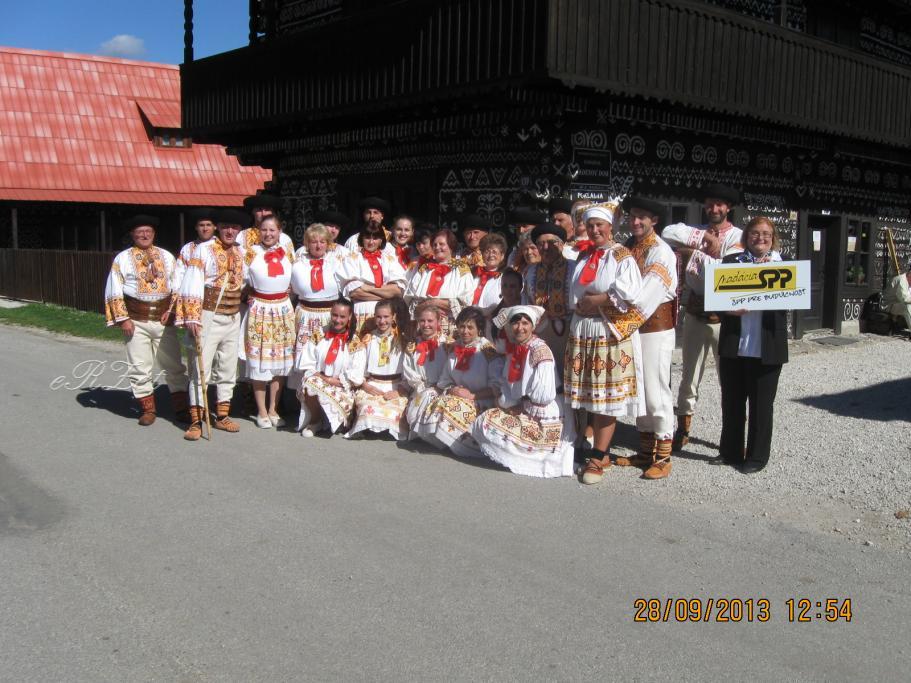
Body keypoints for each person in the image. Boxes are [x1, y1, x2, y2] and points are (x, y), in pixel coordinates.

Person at [564, 202, 645, 484]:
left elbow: (631, 293)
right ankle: (583, 444)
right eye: (590, 225)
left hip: (606, 331)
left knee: (604, 398)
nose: (595, 230)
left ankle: (600, 455)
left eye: (600, 225)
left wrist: (597, 300)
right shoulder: (584, 255)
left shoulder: (621, 255)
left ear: (610, 227)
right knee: (585, 395)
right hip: (582, 329)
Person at [661, 184, 744, 450]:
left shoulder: (739, 237)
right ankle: (683, 429)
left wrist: (691, 252)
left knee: (728, 378)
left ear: (728, 207)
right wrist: (703, 239)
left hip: (725, 318)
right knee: (689, 376)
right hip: (696, 312)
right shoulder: (697, 232)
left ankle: (732, 435)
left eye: (719, 204)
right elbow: (667, 232)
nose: (714, 208)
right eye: (710, 203)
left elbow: (724, 273)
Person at [614, 196, 679, 479]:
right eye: (632, 216)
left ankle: (663, 455)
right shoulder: (627, 247)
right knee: (638, 386)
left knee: (655, 388)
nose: (636, 221)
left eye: (642, 217)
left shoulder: (661, 251)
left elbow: (647, 294)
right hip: (633, 327)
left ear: (655, 220)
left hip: (654, 327)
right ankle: (645, 450)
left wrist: (617, 313)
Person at [718, 216, 789, 474]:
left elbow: (794, 299)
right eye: (755, 233)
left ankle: (757, 457)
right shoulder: (731, 263)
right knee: (732, 401)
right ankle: (730, 452)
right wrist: (727, 309)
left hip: (767, 346)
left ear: (773, 238)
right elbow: (716, 300)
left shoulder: (785, 265)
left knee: (761, 406)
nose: (760, 238)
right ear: (746, 236)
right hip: (735, 344)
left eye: (766, 234)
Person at [104, 215, 189, 425]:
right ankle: (148, 410)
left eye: (148, 231)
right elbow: (114, 288)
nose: (144, 235)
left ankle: (181, 408)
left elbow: (177, 285)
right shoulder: (122, 259)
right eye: (140, 232)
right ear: (132, 235)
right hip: (136, 320)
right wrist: (123, 318)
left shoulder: (166, 257)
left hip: (163, 320)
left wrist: (172, 311)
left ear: (154, 233)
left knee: (173, 364)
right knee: (139, 365)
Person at [472, 305, 575, 478]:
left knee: (487, 422)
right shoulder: (515, 349)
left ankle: (531, 459)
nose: (520, 328)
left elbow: (544, 395)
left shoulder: (539, 350)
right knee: (484, 419)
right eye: (515, 323)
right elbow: (510, 385)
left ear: (532, 326)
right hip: (525, 407)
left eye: (525, 323)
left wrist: (520, 407)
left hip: (544, 412)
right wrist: (504, 401)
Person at [173, 209, 247, 439]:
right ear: (218, 228)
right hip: (208, 315)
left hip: (232, 316)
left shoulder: (241, 252)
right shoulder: (203, 250)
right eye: (225, 227)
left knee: (227, 367)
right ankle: (196, 420)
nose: (230, 231)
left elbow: (246, 280)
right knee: (200, 368)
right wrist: (192, 317)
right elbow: (192, 282)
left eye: (234, 228)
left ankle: (222, 415)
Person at [411, 307, 503, 458]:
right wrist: (452, 389)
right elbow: (445, 379)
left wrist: (472, 395)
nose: (465, 331)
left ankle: (464, 444)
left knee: (447, 405)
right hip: (457, 397)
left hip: (481, 401)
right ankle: (438, 439)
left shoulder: (488, 351)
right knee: (431, 397)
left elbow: (497, 386)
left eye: (470, 327)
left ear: (479, 329)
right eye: (462, 326)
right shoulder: (455, 348)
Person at [241, 215, 296, 428]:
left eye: (272, 230)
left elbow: (295, 278)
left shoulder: (287, 253)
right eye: (264, 230)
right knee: (259, 361)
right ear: (258, 231)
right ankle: (261, 411)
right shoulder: (251, 252)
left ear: (279, 231)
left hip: (282, 309)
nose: (268, 234)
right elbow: (241, 280)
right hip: (260, 309)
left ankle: (273, 408)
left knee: (280, 361)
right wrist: (247, 293)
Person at [290, 223, 348, 391]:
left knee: (325, 354)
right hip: (306, 315)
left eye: (322, 242)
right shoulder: (298, 265)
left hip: (329, 316)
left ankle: (328, 392)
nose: (318, 245)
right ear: (307, 243)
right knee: (304, 356)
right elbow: (293, 289)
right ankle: (302, 395)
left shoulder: (336, 263)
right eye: (314, 241)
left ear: (328, 243)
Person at [295, 298, 365, 437]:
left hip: (342, 388)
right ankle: (315, 421)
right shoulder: (319, 334)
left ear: (350, 317)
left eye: (342, 316)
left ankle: (340, 420)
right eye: (335, 315)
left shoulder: (354, 341)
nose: (337, 320)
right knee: (309, 383)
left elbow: (356, 375)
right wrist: (326, 379)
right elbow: (307, 363)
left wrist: (338, 381)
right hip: (320, 381)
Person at [348, 299, 411, 440]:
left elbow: (408, 370)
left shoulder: (402, 340)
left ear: (393, 317)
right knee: (367, 408)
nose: (382, 321)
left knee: (395, 409)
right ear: (374, 317)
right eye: (379, 317)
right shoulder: (368, 339)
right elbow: (359, 367)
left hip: (396, 385)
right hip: (372, 384)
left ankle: (390, 428)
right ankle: (367, 427)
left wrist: (399, 391)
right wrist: (365, 385)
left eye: (386, 317)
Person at [523, 223, 576, 388]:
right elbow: (526, 302)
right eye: (541, 244)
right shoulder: (530, 272)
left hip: (569, 333)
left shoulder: (574, 268)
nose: (546, 247)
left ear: (561, 244)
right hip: (541, 335)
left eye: (551, 242)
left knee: (569, 379)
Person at [340, 222, 407, 333]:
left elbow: (397, 291)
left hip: (386, 315)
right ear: (362, 239)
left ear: (381, 240)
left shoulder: (390, 260)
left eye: (375, 238)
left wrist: (367, 288)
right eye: (367, 237)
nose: (371, 242)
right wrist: (386, 294)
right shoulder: (352, 259)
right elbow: (354, 292)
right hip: (361, 311)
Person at [404, 228, 474, 335]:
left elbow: (465, 303)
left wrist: (433, 302)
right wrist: (430, 304)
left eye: (441, 244)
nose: (437, 247)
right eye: (435, 245)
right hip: (423, 328)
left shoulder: (461, 269)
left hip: (449, 329)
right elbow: (411, 301)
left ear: (451, 246)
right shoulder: (424, 268)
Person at [402, 302, 450, 436]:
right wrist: (421, 386)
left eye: (430, 321)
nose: (426, 324)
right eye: (422, 321)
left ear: (438, 321)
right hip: (420, 389)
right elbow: (408, 370)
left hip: (441, 390)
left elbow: (451, 370)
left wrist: (440, 386)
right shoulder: (412, 346)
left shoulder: (447, 345)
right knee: (413, 413)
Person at [172, 207, 217, 295]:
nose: (205, 228)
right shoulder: (187, 248)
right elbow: (179, 273)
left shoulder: (221, 247)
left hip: (214, 296)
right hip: (191, 294)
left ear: (215, 227)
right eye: (201, 225)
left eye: (208, 225)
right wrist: (176, 292)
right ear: (196, 227)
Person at [470, 232, 509, 317]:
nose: (491, 255)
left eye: (494, 252)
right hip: (469, 320)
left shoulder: (505, 278)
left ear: (502, 256)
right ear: (482, 255)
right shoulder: (473, 273)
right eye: (487, 252)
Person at [882, 263, 911, 333]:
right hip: (888, 305)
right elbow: (904, 299)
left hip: (897, 303)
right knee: (907, 307)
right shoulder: (901, 280)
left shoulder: (908, 281)